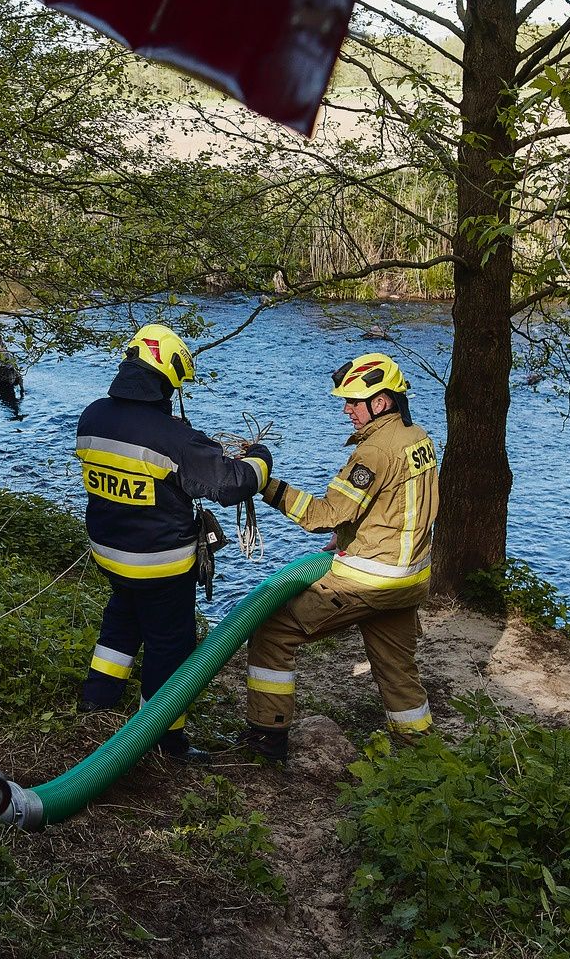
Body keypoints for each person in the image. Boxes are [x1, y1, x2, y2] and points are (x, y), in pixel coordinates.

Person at [74, 324, 272, 761]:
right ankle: (163, 739)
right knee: (171, 644)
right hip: (159, 565)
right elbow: (232, 484)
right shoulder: (174, 438)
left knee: (123, 618)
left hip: (108, 553)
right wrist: (260, 457)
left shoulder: (92, 416)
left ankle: (97, 698)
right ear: (166, 378)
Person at [244, 352, 439, 761]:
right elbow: (397, 506)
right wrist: (350, 533)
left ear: (381, 403)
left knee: (273, 631)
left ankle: (267, 739)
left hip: (369, 579)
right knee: (397, 667)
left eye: (352, 402)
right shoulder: (418, 437)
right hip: (410, 580)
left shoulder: (373, 453)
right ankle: (425, 758)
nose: (346, 410)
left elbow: (321, 514)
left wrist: (264, 484)